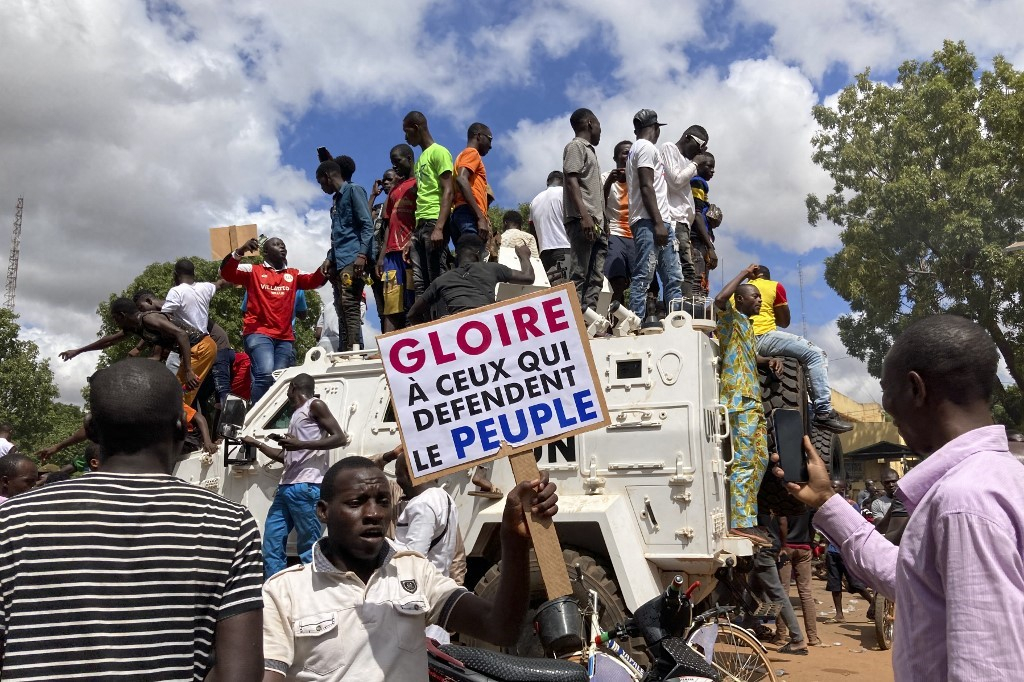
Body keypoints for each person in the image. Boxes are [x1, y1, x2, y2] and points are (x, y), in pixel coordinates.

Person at [777, 315, 1024, 682]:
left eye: (885, 388)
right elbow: (914, 582)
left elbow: (988, 669)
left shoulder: (963, 502)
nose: (886, 405)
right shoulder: (1003, 477)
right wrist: (827, 500)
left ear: (915, 388)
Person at [0, 359, 263, 680]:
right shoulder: (230, 525)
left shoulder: (12, 520)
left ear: (92, 432)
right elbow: (240, 675)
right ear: (182, 428)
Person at [261, 456, 558, 681]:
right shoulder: (284, 592)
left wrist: (514, 540)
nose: (374, 513)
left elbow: (500, 628)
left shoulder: (414, 571)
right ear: (323, 511)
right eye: (357, 502)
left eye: (382, 501)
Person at [242, 373, 348, 579]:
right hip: (286, 487)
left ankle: (315, 593)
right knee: (272, 544)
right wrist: (257, 443)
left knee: (308, 548)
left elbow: (340, 438)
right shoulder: (296, 415)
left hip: (307, 486)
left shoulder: (314, 405)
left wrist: (301, 444)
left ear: (292, 387)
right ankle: (274, 591)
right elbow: (287, 457)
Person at [715, 264, 781, 545]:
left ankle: (748, 519)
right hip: (739, 400)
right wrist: (743, 273)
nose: (759, 300)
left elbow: (751, 357)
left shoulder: (747, 327)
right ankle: (741, 522)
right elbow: (718, 300)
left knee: (761, 460)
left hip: (753, 401)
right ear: (740, 299)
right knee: (743, 462)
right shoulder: (729, 318)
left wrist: (769, 361)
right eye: (753, 296)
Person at [220, 236, 329, 403]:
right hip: (258, 333)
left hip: (285, 338)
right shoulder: (253, 271)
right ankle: (253, 419)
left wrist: (327, 264)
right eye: (276, 245)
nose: (282, 247)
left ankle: (269, 422)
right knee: (264, 373)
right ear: (265, 252)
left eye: (283, 245)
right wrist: (240, 251)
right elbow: (226, 273)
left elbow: (315, 281)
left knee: (280, 381)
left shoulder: (294, 274)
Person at [747, 266, 852, 433]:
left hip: (743, 342)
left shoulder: (736, 292)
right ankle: (823, 412)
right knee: (816, 355)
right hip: (763, 337)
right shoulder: (774, 286)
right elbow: (784, 321)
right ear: (767, 275)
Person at [61, 297, 216, 406]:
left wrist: (188, 370)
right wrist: (79, 351)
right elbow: (109, 340)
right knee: (174, 393)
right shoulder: (134, 327)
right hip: (194, 350)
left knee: (176, 395)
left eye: (115, 319)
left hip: (201, 347)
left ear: (122, 316)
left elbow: (181, 334)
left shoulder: (148, 319)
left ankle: (186, 435)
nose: (116, 323)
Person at [394, 456, 460, 643]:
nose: (398, 482)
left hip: (419, 605)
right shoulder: (445, 498)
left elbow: (413, 558)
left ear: (409, 474)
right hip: (435, 596)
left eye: (399, 475)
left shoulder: (422, 504)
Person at [626, 109, 684, 320]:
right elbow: (646, 186)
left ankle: (676, 323)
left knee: (673, 277)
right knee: (644, 275)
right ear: (656, 128)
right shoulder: (645, 148)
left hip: (658, 221)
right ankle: (635, 322)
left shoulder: (637, 148)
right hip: (650, 222)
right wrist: (659, 223)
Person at [317, 155, 375, 352]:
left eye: (320, 182)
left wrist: (362, 255)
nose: (321, 188)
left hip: (353, 257)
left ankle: (354, 351)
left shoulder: (353, 190)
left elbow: (367, 225)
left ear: (327, 176)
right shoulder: (335, 201)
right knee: (340, 306)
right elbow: (338, 234)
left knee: (350, 304)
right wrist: (329, 258)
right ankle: (344, 350)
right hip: (339, 259)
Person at [407, 237, 535, 323]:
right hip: (487, 324)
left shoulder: (441, 280)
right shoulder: (491, 268)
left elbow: (412, 314)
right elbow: (528, 277)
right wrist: (524, 256)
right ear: (478, 253)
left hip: (458, 330)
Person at [403, 111, 455, 308]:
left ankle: (444, 323)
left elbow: (448, 191)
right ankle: (427, 328)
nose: (405, 137)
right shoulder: (421, 159)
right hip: (420, 225)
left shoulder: (439, 152)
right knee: (419, 284)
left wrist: (440, 228)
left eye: (406, 131)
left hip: (435, 221)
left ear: (416, 128)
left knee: (437, 279)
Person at [662, 124, 713, 298]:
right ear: (687, 138)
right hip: (674, 219)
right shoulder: (670, 148)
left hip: (684, 223)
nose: (699, 152)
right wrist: (696, 163)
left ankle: (679, 311)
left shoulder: (686, 161)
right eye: (699, 146)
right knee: (685, 270)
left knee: (682, 271)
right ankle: (679, 313)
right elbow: (675, 180)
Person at [562, 108, 606, 312]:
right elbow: (571, 180)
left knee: (596, 277)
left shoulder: (590, 151)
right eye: (598, 124)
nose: (600, 130)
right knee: (579, 273)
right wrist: (584, 215)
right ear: (590, 123)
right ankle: (575, 321)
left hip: (597, 223)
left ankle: (590, 319)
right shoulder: (576, 147)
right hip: (584, 221)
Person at [746, 513, 807, 655]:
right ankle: (746, 629)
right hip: (771, 545)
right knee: (754, 590)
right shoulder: (772, 500)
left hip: (762, 549)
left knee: (777, 594)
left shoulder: (755, 500)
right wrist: (782, 544)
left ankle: (798, 640)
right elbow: (783, 522)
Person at [377, 143, 418, 332]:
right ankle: (388, 345)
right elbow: (387, 226)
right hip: (391, 256)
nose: (394, 166)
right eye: (392, 163)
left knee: (412, 300)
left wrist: (414, 240)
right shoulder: (394, 191)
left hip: (410, 252)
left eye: (397, 162)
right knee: (391, 303)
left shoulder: (419, 184)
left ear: (409, 159)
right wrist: (381, 257)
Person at [776, 509, 821, 647]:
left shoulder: (782, 501)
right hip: (804, 547)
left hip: (786, 548)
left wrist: (782, 544)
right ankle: (813, 638)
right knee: (806, 593)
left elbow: (782, 522)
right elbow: (813, 525)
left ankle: (780, 636)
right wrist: (811, 542)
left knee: (782, 592)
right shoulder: (807, 502)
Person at [602, 140, 633, 305]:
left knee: (644, 281)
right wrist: (608, 184)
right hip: (615, 232)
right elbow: (598, 205)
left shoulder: (639, 179)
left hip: (637, 235)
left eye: (631, 153)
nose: (628, 156)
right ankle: (613, 313)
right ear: (615, 157)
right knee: (617, 278)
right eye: (624, 153)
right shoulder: (605, 177)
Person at [451, 122, 493, 244]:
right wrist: (480, 217)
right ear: (479, 136)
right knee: (472, 256)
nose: (490, 146)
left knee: (464, 256)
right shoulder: (472, 153)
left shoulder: (461, 156)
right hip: (468, 214)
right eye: (490, 139)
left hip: (460, 213)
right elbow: (461, 179)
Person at [161, 258, 227, 332]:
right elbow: (219, 284)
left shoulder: (176, 291)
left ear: (175, 275)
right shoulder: (206, 287)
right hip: (206, 340)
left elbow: (164, 316)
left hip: (190, 341)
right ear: (194, 274)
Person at [689, 152, 718, 295]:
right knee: (697, 284)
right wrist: (710, 247)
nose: (713, 170)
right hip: (697, 240)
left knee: (702, 286)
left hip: (702, 242)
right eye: (709, 166)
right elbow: (697, 214)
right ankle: (694, 315)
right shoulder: (697, 182)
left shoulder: (700, 184)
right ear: (699, 165)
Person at [530, 170, 569, 275]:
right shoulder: (565, 193)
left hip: (544, 255)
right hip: (564, 248)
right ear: (564, 182)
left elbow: (532, 231)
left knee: (551, 289)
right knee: (571, 288)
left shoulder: (534, 201)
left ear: (547, 182)